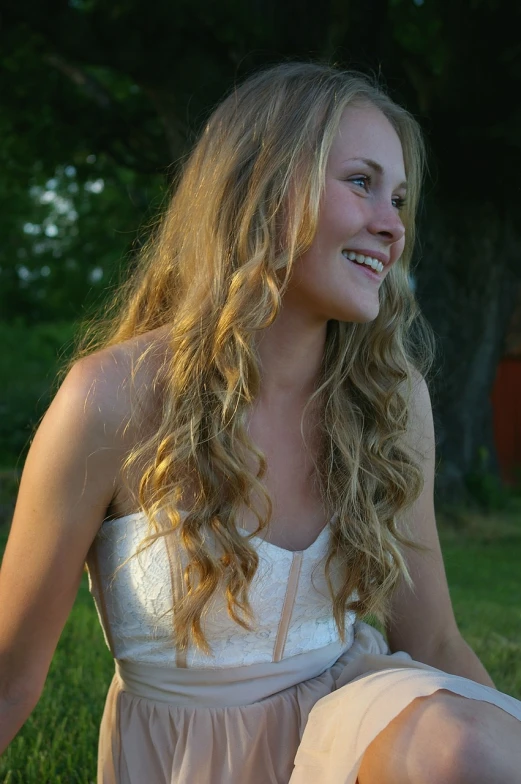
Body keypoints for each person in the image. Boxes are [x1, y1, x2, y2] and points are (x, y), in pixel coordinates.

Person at [1, 61, 520, 784]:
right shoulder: (110, 399)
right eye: (361, 183)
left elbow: (430, 636)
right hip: (182, 757)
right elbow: (9, 677)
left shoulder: (389, 399)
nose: (392, 225)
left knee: (464, 749)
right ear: (263, 188)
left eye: (399, 198)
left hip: (352, 729)